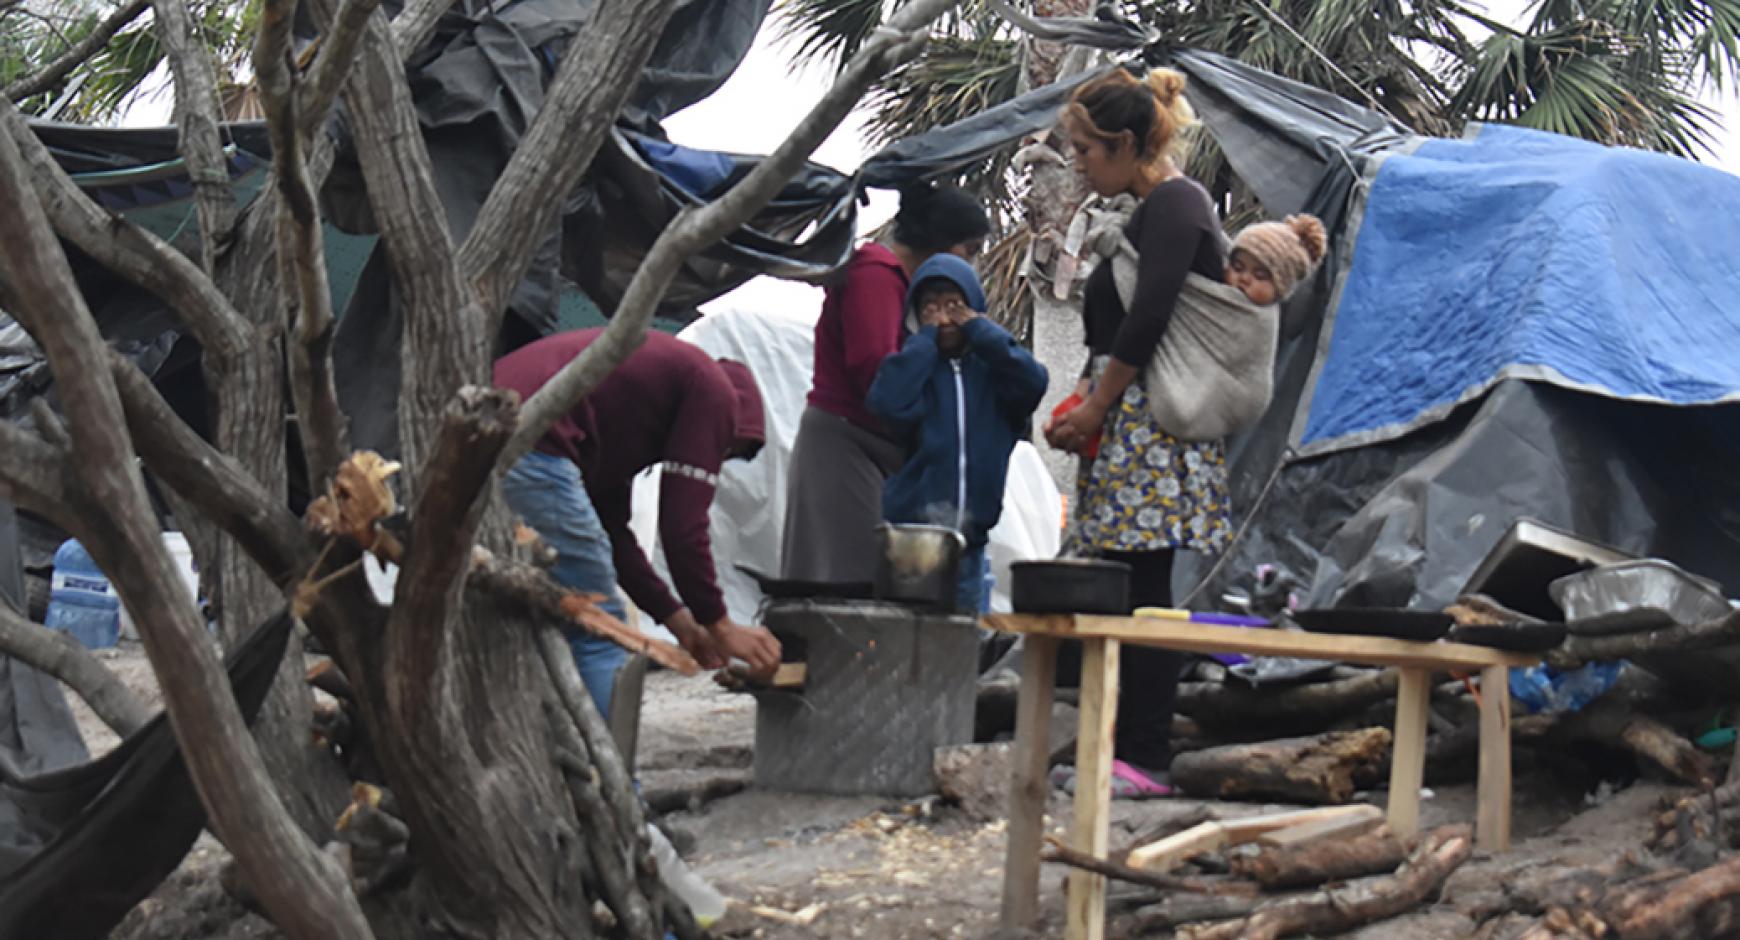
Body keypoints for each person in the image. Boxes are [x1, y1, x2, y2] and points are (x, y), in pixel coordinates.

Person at [1042, 67, 1231, 799]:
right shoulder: (1144, 215)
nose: (1081, 165)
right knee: (1122, 586)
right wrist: (1088, 403)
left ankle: (1144, 757)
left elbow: (1149, 320)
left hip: (1154, 431)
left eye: (1087, 150)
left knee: (1146, 588)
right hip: (1127, 426)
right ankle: (1114, 745)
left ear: (1124, 144)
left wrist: (1098, 404)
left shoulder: (1178, 204)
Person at [495, 329, 783, 718]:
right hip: (532, 440)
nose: (718, 457)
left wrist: (678, 620)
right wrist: (720, 625)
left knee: (511, 612)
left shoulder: (626, 413)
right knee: (600, 624)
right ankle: (612, 775)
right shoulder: (715, 393)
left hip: (484, 427)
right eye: (727, 450)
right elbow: (682, 529)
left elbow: (613, 534)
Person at [781, 183, 991, 587]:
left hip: (875, 444)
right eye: (971, 251)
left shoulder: (903, 287)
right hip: (847, 441)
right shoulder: (876, 275)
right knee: (851, 578)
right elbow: (874, 370)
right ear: (938, 242)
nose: (972, 265)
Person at [865, 255, 1049, 613]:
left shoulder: (992, 374)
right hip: (912, 544)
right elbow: (886, 402)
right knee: (908, 639)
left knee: (962, 640)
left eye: (954, 305)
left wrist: (982, 332)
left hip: (971, 541)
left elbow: (1033, 382)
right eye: (930, 307)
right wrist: (923, 342)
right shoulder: (918, 368)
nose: (943, 317)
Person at [1224, 214, 1327, 307]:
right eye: (1238, 268)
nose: (1244, 278)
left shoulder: (1262, 322)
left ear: (1280, 289)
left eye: (1259, 276)